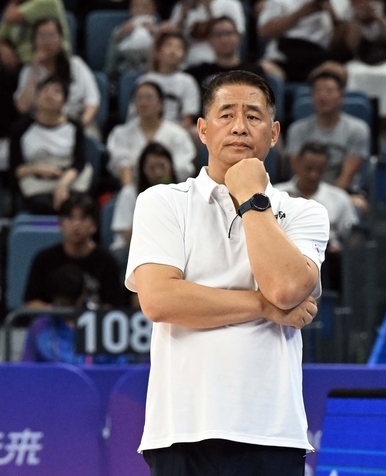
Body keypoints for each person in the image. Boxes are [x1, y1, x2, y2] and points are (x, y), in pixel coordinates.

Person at [126, 70, 329, 474]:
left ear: (274, 133)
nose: (239, 127)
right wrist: (265, 306)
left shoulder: (306, 213)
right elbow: (160, 300)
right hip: (181, 429)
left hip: (272, 430)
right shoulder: (163, 202)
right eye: (226, 115)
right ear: (202, 130)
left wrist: (251, 195)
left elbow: (286, 288)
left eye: (253, 117)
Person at [276, 141, 358, 291]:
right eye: (309, 169)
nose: (313, 175)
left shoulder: (339, 198)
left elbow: (353, 235)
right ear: (296, 164)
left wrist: (343, 248)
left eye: (319, 170)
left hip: (326, 259)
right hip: (284, 253)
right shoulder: (276, 194)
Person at [23, 193, 126, 309]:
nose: (76, 224)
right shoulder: (43, 259)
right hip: (52, 325)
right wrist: (60, 315)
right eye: (70, 218)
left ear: (94, 225)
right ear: (61, 224)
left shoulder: (107, 262)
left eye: (83, 218)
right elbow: (31, 303)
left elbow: (113, 307)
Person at [10, 75, 92, 214]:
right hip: (36, 177)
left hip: (68, 177)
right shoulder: (20, 128)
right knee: (41, 205)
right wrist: (38, 169)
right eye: (45, 90)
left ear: (64, 101)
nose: (49, 95)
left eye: (57, 91)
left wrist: (62, 185)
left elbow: (79, 162)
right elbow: (15, 168)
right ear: (36, 97)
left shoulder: (74, 126)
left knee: (76, 202)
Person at [13, 17, 101, 138]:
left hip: (77, 122)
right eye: (42, 36)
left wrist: (78, 127)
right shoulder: (28, 70)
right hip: (41, 126)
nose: (47, 41)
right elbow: (23, 107)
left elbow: (93, 101)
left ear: (60, 39)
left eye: (52, 36)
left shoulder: (76, 65)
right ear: (34, 41)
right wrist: (35, 68)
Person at [286, 70, 370, 193]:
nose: (323, 96)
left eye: (329, 91)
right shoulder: (297, 129)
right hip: (304, 191)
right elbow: (298, 169)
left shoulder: (358, 129)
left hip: (343, 192)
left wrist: (329, 199)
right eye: (318, 91)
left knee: (358, 205)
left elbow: (347, 176)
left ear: (341, 96)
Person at [107, 81, 196, 187]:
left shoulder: (178, 134)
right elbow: (121, 164)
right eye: (139, 98)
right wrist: (130, 191)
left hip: (170, 190)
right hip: (135, 189)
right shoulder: (121, 133)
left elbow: (183, 168)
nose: (144, 103)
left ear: (161, 103)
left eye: (149, 98)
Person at [110, 142, 176, 263]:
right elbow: (128, 239)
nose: (158, 173)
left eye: (162, 167)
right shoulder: (129, 194)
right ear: (143, 170)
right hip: (132, 251)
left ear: (170, 167)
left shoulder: (181, 193)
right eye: (152, 168)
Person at [257, 0, 352, 82]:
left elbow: (340, 46)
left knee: (338, 71)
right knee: (262, 70)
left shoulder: (338, 4)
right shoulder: (280, 1)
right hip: (282, 56)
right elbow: (264, 32)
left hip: (316, 59)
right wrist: (301, 12)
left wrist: (333, 16)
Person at [185, 15, 282, 92]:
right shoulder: (198, 73)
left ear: (239, 37)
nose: (224, 39)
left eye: (228, 33)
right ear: (209, 40)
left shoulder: (254, 71)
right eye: (218, 34)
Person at [133, 32, 201, 133]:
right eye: (168, 46)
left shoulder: (187, 81)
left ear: (184, 56)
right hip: (147, 128)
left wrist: (171, 135)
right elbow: (134, 114)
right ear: (158, 52)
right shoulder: (144, 81)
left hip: (177, 130)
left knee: (195, 132)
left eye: (179, 48)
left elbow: (189, 117)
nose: (173, 51)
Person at [166, 0, 246, 67]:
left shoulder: (230, 4)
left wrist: (209, 9)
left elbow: (238, 34)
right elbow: (173, 38)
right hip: (188, 62)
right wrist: (183, 16)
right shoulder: (182, 5)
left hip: (219, 62)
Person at [0, 0, 71, 65]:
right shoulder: (21, 5)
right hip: (21, 61)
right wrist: (3, 47)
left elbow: (10, 17)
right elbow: (2, 34)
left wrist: (13, 2)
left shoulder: (48, 2)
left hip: (53, 63)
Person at [103, 0, 159, 78]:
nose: (140, 11)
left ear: (153, 9)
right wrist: (118, 37)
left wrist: (156, 34)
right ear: (130, 10)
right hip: (125, 71)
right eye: (136, 7)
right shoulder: (122, 30)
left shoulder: (160, 30)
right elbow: (110, 64)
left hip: (151, 71)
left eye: (145, 7)